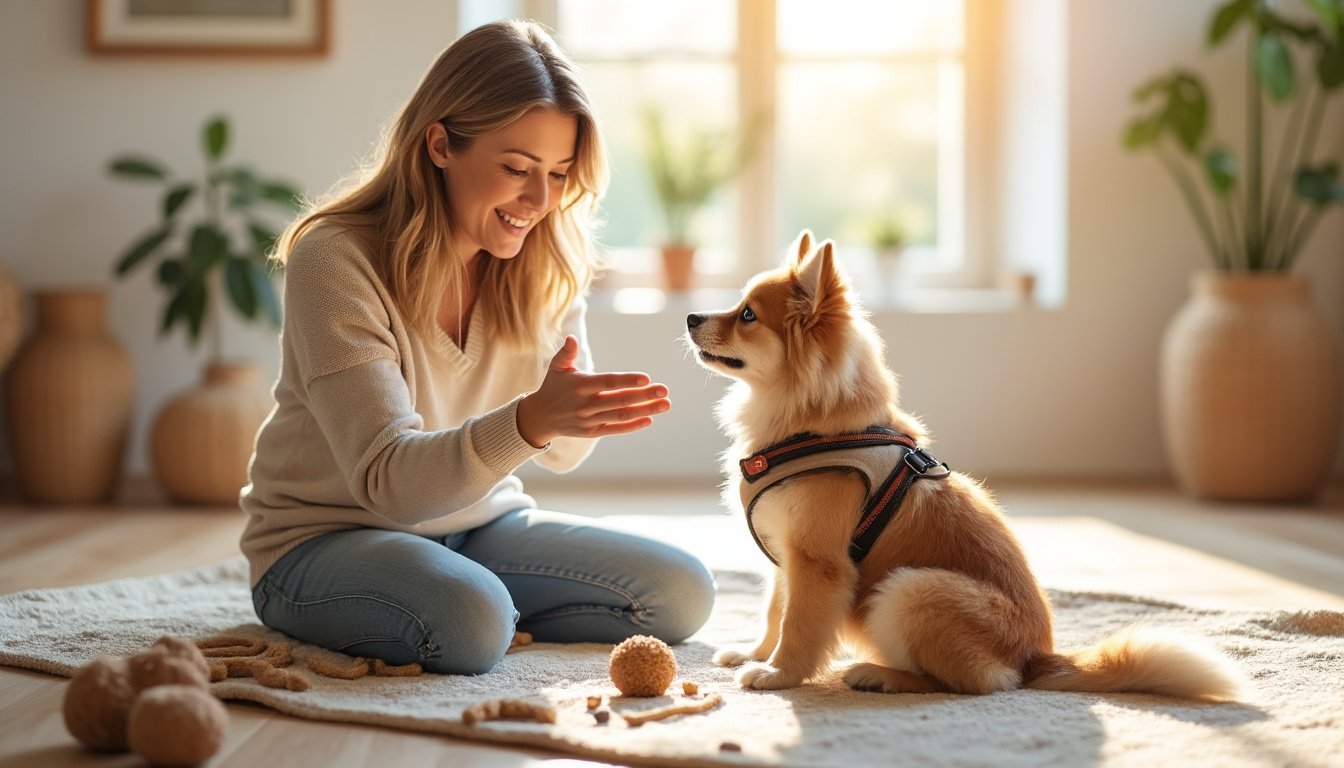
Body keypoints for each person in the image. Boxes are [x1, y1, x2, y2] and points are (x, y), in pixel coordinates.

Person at [240, 19, 715, 676]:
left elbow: (567, 455)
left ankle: (456, 598)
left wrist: (566, 410)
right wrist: (531, 419)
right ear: (440, 144)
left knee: (681, 590)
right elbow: (388, 484)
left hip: (476, 528)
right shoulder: (337, 261)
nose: (541, 200)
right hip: (322, 540)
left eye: (557, 172)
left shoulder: (542, 261)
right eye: (517, 168)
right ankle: (462, 605)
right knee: (472, 620)